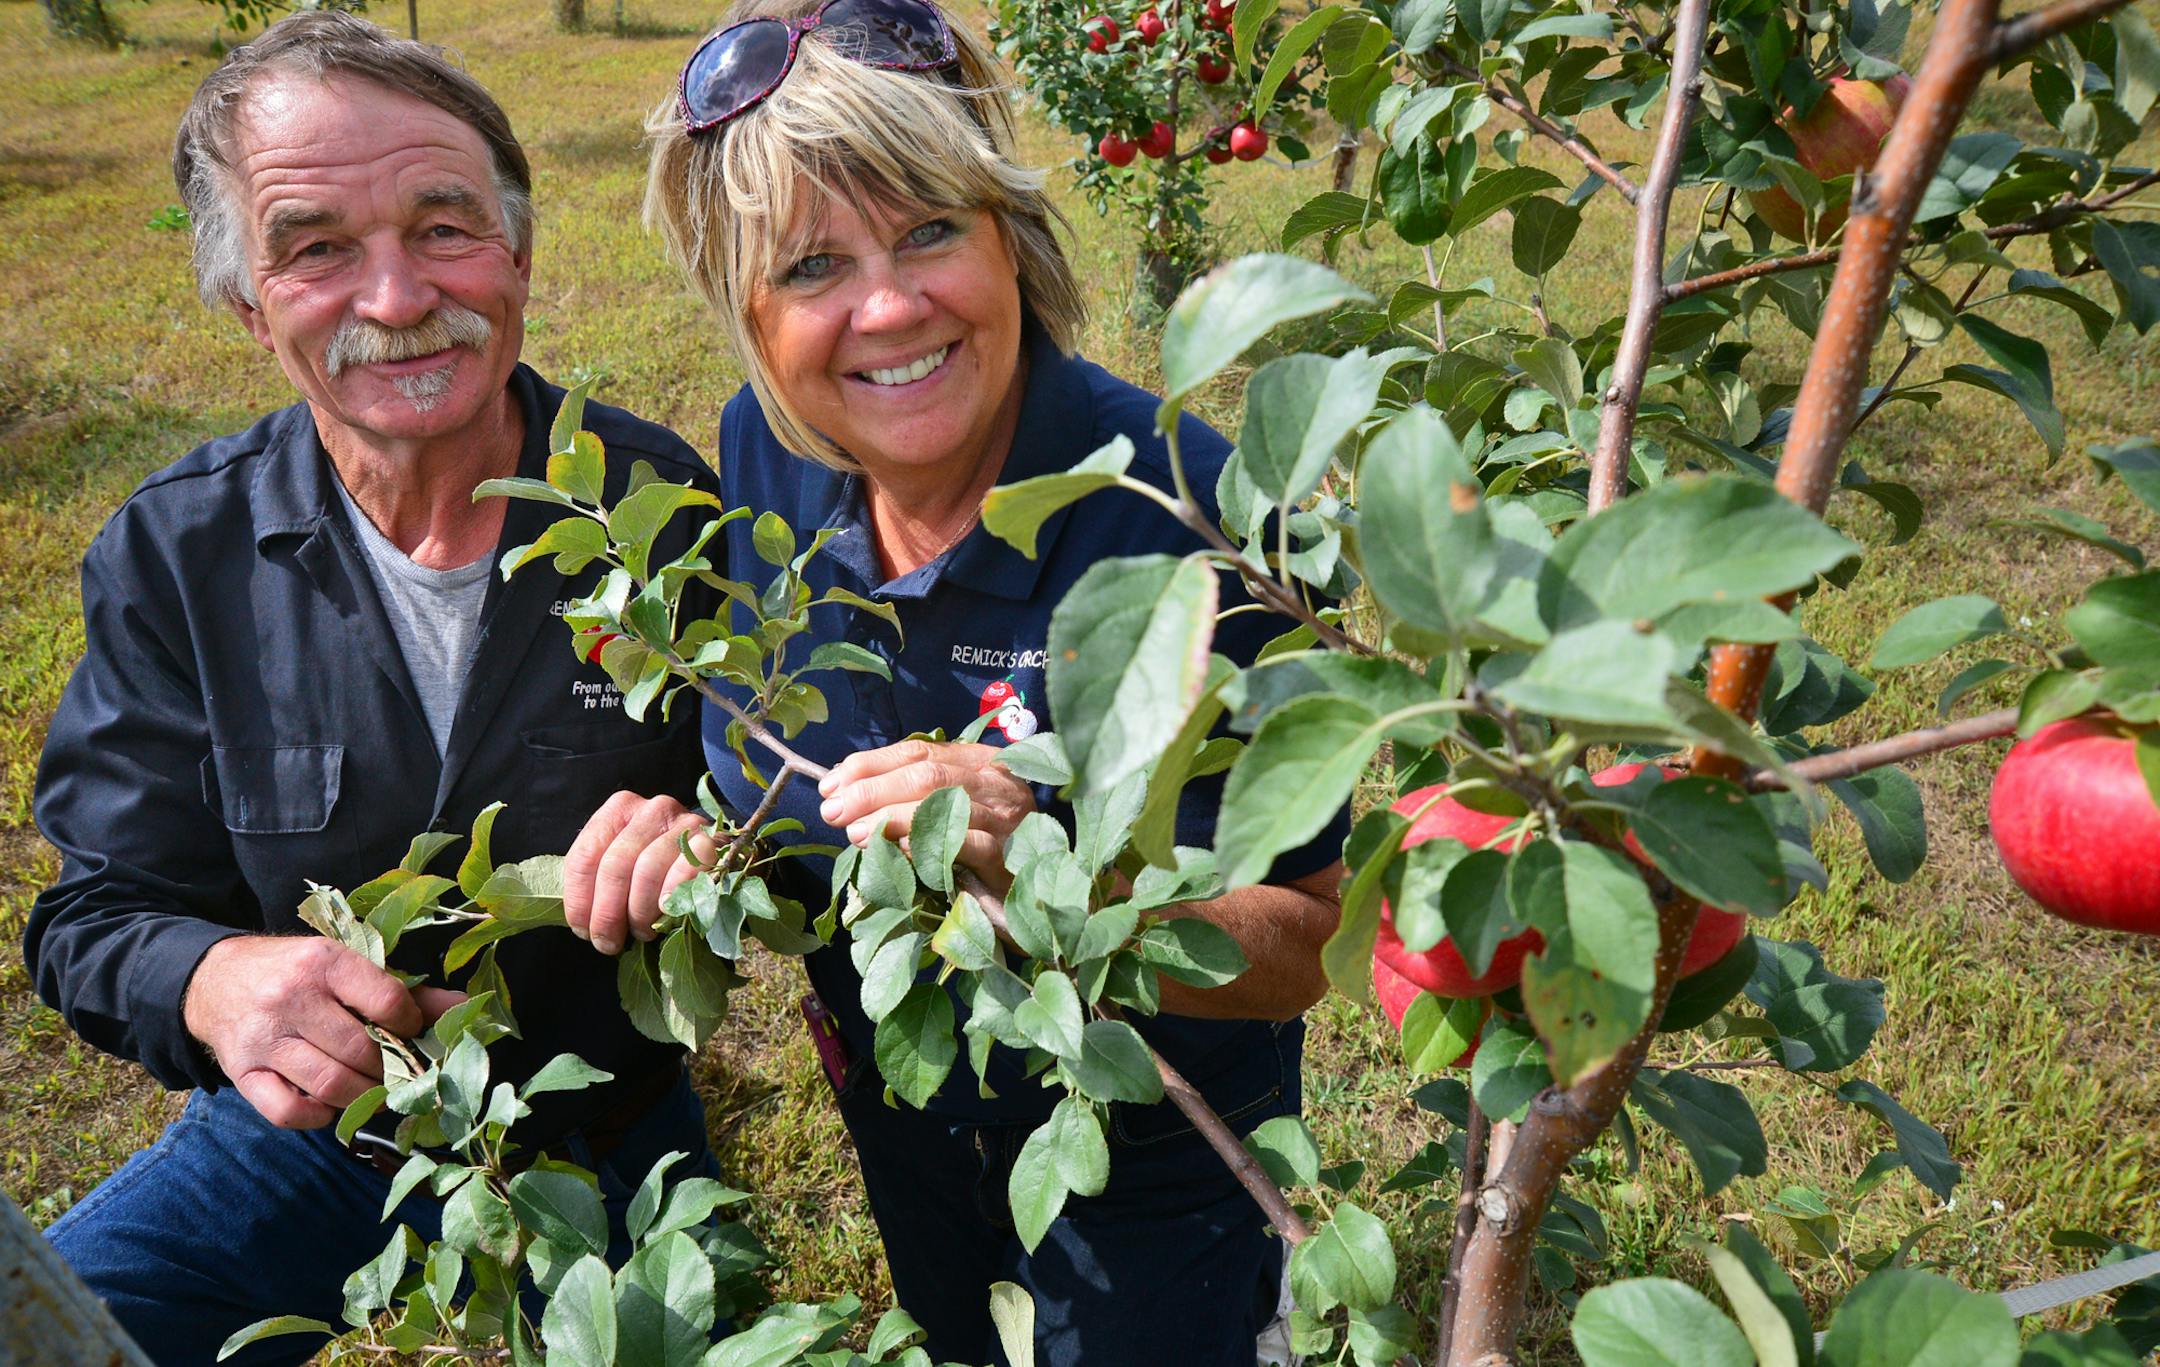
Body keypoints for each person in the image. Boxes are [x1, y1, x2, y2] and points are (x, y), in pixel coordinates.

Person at [562, 2, 1348, 1361]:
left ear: (1013, 242)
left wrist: (1063, 874)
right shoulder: (765, 454)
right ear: (746, 310)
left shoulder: (1188, 517)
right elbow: (783, 753)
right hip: (900, 1109)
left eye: (930, 229)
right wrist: (709, 845)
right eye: (812, 264)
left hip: (1156, 1145)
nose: (887, 306)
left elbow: (1311, 942)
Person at [24, 14, 723, 1364]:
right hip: (313, 1134)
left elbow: (777, 806)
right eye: (318, 248)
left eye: (443, 226)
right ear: (248, 302)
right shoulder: (181, 554)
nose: (398, 298)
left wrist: (714, 838)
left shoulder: (662, 508)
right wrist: (214, 979)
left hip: (599, 1126)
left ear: (519, 252)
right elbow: (95, 913)